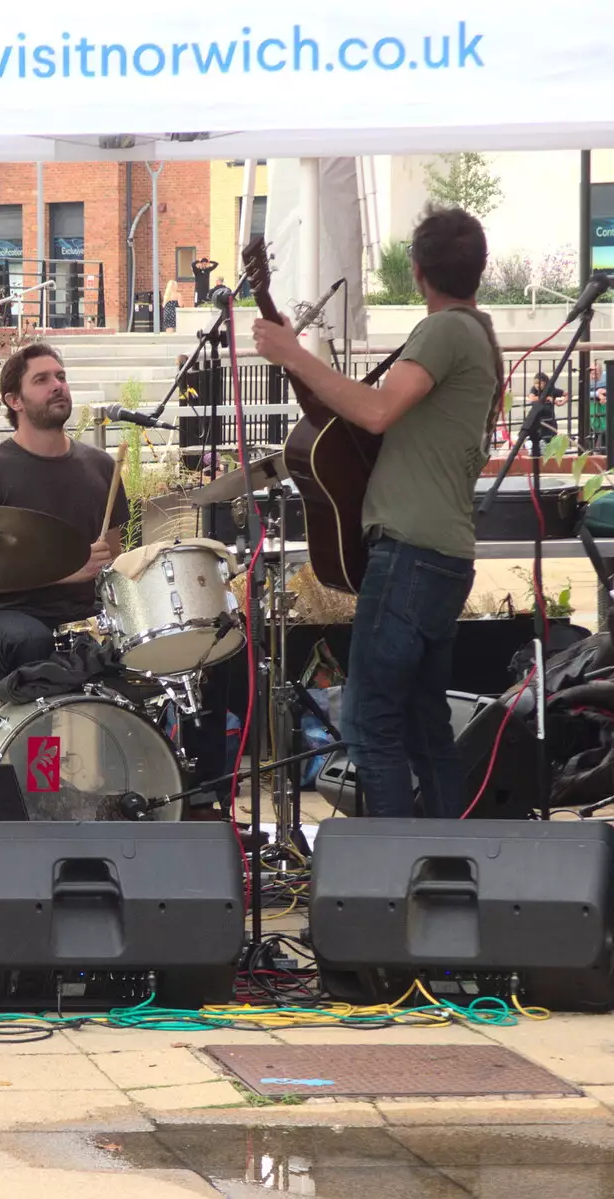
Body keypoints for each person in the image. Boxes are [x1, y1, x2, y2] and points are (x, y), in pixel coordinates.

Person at [252, 206, 502, 819]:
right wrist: (294, 357)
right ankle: (447, 864)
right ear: (479, 268)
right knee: (422, 725)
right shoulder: (477, 333)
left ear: (417, 272)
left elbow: (376, 412)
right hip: (439, 554)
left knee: (370, 723)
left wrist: (294, 351)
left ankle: (396, 870)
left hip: (413, 555)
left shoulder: (445, 332)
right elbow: (351, 421)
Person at [0, 343, 127, 682]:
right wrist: (63, 570)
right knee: (32, 642)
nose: (58, 385)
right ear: (14, 400)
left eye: (61, 377)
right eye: (42, 379)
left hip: (85, 614)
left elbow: (114, 557)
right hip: (4, 612)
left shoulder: (103, 466)